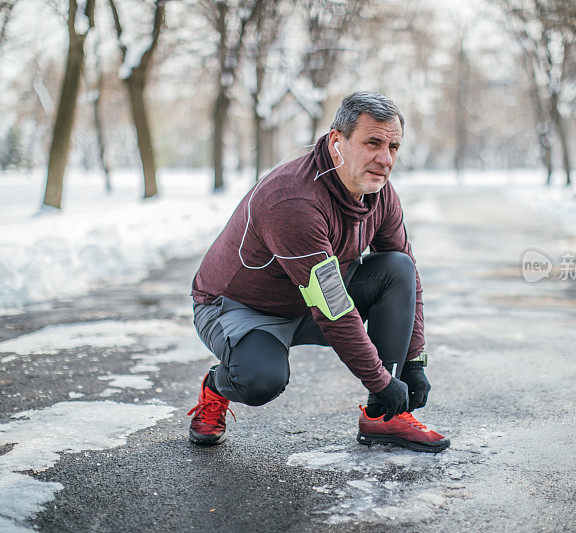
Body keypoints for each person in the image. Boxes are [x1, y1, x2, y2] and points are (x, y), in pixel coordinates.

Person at [188, 91, 449, 453]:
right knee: (260, 381)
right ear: (336, 141)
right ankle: (217, 387)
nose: (385, 159)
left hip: (308, 299)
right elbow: (332, 308)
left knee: (397, 268)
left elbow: (408, 277)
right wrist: (381, 381)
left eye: (393, 147)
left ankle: (383, 418)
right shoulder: (294, 200)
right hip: (240, 307)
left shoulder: (380, 192)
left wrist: (413, 361)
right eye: (372, 143)